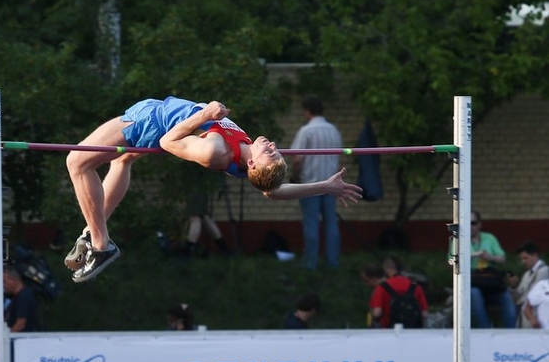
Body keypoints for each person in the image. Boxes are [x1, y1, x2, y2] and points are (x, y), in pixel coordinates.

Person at [64, 97, 363, 283]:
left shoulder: (216, 152)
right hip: (161, 116)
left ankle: (100, 243)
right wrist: (324, 186)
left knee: (77, 162)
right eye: (276, 150)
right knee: (124, 159)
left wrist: (205, 115)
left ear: (254, 168)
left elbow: (168, 142)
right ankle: (93, 234)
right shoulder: (246, 156)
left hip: (154, 121)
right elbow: (273, 191)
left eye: (271, 153)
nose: (273, 145)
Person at [289, 96, 344, 270]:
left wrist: (294, 176)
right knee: (331, 224)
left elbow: (297, 159)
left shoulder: (306, 131)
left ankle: (310, 263)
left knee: (311, 224)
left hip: (310, 185)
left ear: (307, 111)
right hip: (332, 184)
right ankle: (332, 262)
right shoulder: (333, 130)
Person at [468, 211, 516, 328]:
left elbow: (502, 259)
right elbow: (452, 261)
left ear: (480, 224)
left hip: (489, 280)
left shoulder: (489, 238)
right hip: (472, 281)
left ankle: (512, 334)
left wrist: (490, 257)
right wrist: (474, 255)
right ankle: (486, 331)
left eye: (473, 223)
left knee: (506, 296)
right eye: (466, 223)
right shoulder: (457, 240)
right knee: (474, 294)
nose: (470, 226)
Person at [369, 255, 429, 328]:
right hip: (412, 333)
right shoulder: (414, 285)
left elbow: (377, 313)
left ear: (388, 269)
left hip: (389, 332)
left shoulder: (381, 287)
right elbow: (424, 314)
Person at [510, 242, 548, 328]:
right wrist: (513, 286)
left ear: (535, 255)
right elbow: (518, 295)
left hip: (537, 316)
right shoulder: (526, 274)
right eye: (521, 259)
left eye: (525, 258)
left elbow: (534, 296)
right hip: (525, 316)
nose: (523, 262)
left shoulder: (544, 271)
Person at [3, 265, 40, 332]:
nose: (3, 285)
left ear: (13, 280)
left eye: (4, 282)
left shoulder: (23, 297)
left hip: (24, 340)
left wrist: (8, 337)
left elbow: (21, 323)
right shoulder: (17, 297)